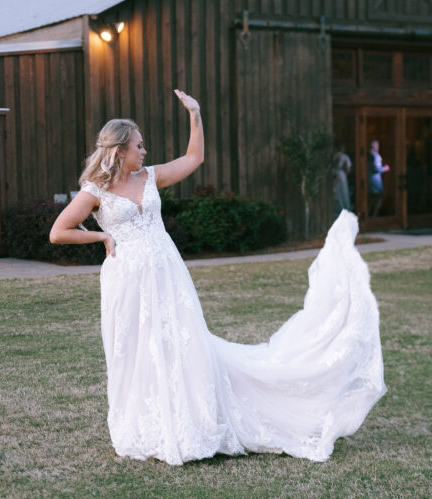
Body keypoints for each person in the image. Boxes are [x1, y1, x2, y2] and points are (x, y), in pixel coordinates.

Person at [50, 90, 386, 466]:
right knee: (136, 349)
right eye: (139, 146)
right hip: (127, 280)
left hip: (167, 272)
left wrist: (195, 114)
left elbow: (195, 158)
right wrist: (100, 235)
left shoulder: (150, 177)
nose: (144, 152)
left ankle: (193, 419)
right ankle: (145, 423)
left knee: (182, 343)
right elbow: (58, 231)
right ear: (119, 150)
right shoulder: (96, 191)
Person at [367, 139, 390, 217]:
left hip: (369, 180)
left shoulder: (368, 156)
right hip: (375, 181)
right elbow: (376, 169)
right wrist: (385, 168)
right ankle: (374, 216)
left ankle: (368, 215)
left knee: (371, 199)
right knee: (378, 198)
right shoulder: (376, 156)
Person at [332, 144, 352, 214]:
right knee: (344, 192)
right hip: (341, 174)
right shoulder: (345, 156)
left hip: (334, 174)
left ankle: (339, 210)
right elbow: (348, 168)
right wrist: (345, 174)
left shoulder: (334, 156)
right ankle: (345, 209)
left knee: (336, 193)